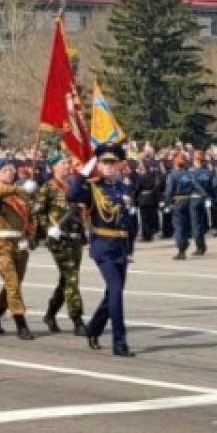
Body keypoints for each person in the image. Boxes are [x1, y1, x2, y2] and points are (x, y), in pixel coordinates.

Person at [68, 143, 137, 357]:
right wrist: (85, 170)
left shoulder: (124, 187)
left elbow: (129, 221)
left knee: (112, 295)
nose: (108, 167)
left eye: (112, 163)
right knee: (116, 291)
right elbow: (71, 195)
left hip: (121, 247)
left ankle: (93, 329)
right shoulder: (92, 186)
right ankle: (119, 341)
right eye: (104, 163)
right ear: (98, 164)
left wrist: (130, 248)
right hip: (103, 246)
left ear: (119, 165)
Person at [0, 159, 38, 340]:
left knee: (13, 285)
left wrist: (30, 235)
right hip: (1, 243)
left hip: (19, 243)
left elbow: (29, 218)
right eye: (5, 170)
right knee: (12, 284)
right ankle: (20, 322)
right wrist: (20, 188)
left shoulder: (20, 196)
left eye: (12, 171)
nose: (10, 173)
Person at [37, 154, 86, 335]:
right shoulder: (48, 188)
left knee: (66, 279)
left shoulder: (73, 187)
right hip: (58, 240)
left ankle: (50, 313)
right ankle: (77, 319)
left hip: (74, 238)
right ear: (53, 168)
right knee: (72, 277)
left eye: (68, 163)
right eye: (63, 163)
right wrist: (47, 229)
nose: (67, 166)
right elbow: (38, 212)